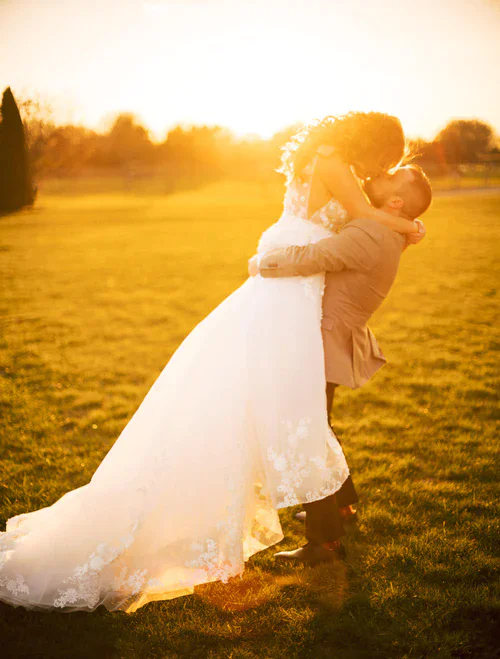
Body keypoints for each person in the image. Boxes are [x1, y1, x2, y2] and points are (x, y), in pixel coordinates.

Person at [0, 112, 422, 614]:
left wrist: (397, 218)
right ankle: (325, 522)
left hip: (299, 281)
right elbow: (359, 212)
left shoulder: (334, 159)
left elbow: (354, 218)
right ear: (372, 144)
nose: (380, 169)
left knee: (291, 406)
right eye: (384, 159)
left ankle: (330, 516)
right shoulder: (334, 160)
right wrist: (408, 223)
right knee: (289, 407)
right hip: (290, 280)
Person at [249, 164, 432, 565]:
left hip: (324, 341)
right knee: (319, 426)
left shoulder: (371, 232)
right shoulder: (390, 229)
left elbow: (315, 257)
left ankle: (325, 543)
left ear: (395, 201)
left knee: (309, 435)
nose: (378, 173)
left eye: (390, 176)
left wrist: (261, 263)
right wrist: (414, 226)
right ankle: (342, 505)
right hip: (333, 337)